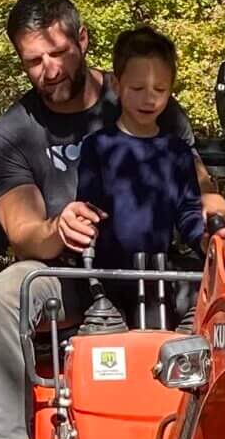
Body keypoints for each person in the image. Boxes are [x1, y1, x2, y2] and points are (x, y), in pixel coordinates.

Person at [0, 0, 225, 439]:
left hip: (152, 266)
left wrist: (215, 219)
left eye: (58, 53)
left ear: (83, 41)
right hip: (68, 274)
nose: (48, 69)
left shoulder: (139, 90)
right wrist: (57, 228)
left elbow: (197, 186)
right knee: (3, 295)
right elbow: (23, 232)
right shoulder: (13, 133)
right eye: (33, 60)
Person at [76, 27, 206, 273]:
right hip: (106, 274)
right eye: (137, 89)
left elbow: (188, 212)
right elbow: (89, 208)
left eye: (160, 90)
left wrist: (204, 240)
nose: (149, 100)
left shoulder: (177, 151)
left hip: (160, 273)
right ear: (116, 84)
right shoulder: (97, 146)